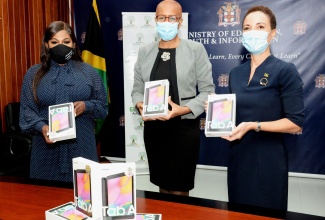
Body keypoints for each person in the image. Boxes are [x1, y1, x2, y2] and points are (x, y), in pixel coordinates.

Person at [221, 6, 304, 210]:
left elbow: (295, 123)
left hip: (269, 160)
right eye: (247, 28)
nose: (252, 32)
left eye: (260, 27)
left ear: (272, 33)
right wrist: (219, 111)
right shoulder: (235, 73)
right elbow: (236, 115)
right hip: (239, 156)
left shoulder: (285, 71)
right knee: (238, 212)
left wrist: (253, 125)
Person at [131, 0, 215, 196]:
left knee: (179, 188)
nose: (166, 21)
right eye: (162, 17)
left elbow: (207, 91)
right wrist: (140, 104)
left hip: (183, 129)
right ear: (155, 19)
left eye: (172, 18)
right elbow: (136, 89)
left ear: (180, 21)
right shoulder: (145, 52)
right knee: (162, 185)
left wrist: (183, 109)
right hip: (155, 130)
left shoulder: (195, 50)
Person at [19, 21, 108, 182]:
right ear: (46, 45)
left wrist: (85, 106)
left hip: (83, 147)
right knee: (44, 200)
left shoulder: (89, 72)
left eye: (66, 42)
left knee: (85, 200)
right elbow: (26, 110)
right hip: (45, 152)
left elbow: (102, 107)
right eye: (54, 42)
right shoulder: (33, 74)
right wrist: (42, 127)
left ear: (74, 44)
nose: (61, 46)